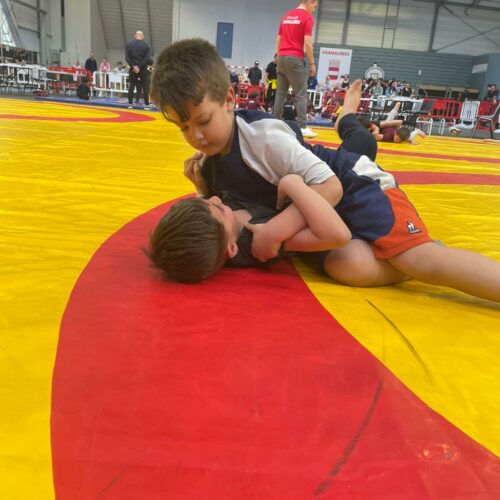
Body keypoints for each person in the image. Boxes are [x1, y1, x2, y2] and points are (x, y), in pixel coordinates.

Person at [147, 48, 500, 302]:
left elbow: (330, 187)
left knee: (419, 261)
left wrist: (277, 228)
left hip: (350, 183)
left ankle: (347, 117)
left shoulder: (263, 138)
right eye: (183, 128)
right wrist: (201, 187)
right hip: (318, 210)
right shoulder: (210, 167)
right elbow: (217, 216)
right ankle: (348, 121)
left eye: (203, 121)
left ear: (229, 99)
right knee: (348, 266)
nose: (196, 137)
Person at [273, 0, 318, 138]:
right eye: (314, 5)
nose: (314, 9)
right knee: (301, 94)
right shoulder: (307, 17)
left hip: (281, 57)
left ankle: (275, 123)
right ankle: (302, 126)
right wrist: (312, 63)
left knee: (280, 93)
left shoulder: (286, 16)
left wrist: (279, 56)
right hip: (295, 58)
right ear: (309, 2)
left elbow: (278, 39)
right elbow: (308, 43)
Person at [126, 31, 153, 110]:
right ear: (142, 36)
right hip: (143, 69)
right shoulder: (146, 45)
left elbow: (127, 57)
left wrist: (133, 66)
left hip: (132, 69)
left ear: (135, 36)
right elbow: (147, 58)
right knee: (145, 87)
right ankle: (146, 105)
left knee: (131, 86)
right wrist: (139, 66)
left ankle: (130, 104)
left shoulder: (129, 44)